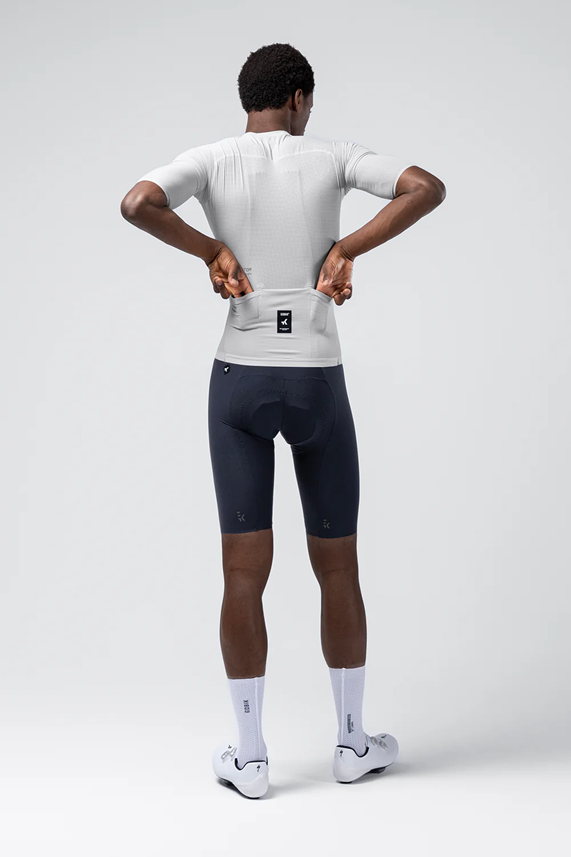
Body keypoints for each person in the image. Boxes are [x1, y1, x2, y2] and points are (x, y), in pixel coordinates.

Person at [121, 42, 446, 799]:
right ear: (298, 98)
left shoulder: (209, 159)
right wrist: (346, 248)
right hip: (315, 381)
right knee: (338, 567)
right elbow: (424, 188)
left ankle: (251, 758)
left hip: (238, 378)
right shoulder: (333, 155)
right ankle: (351, 743)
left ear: (250, 100)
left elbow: (138, 203)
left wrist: (210, 249)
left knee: (242, 574)